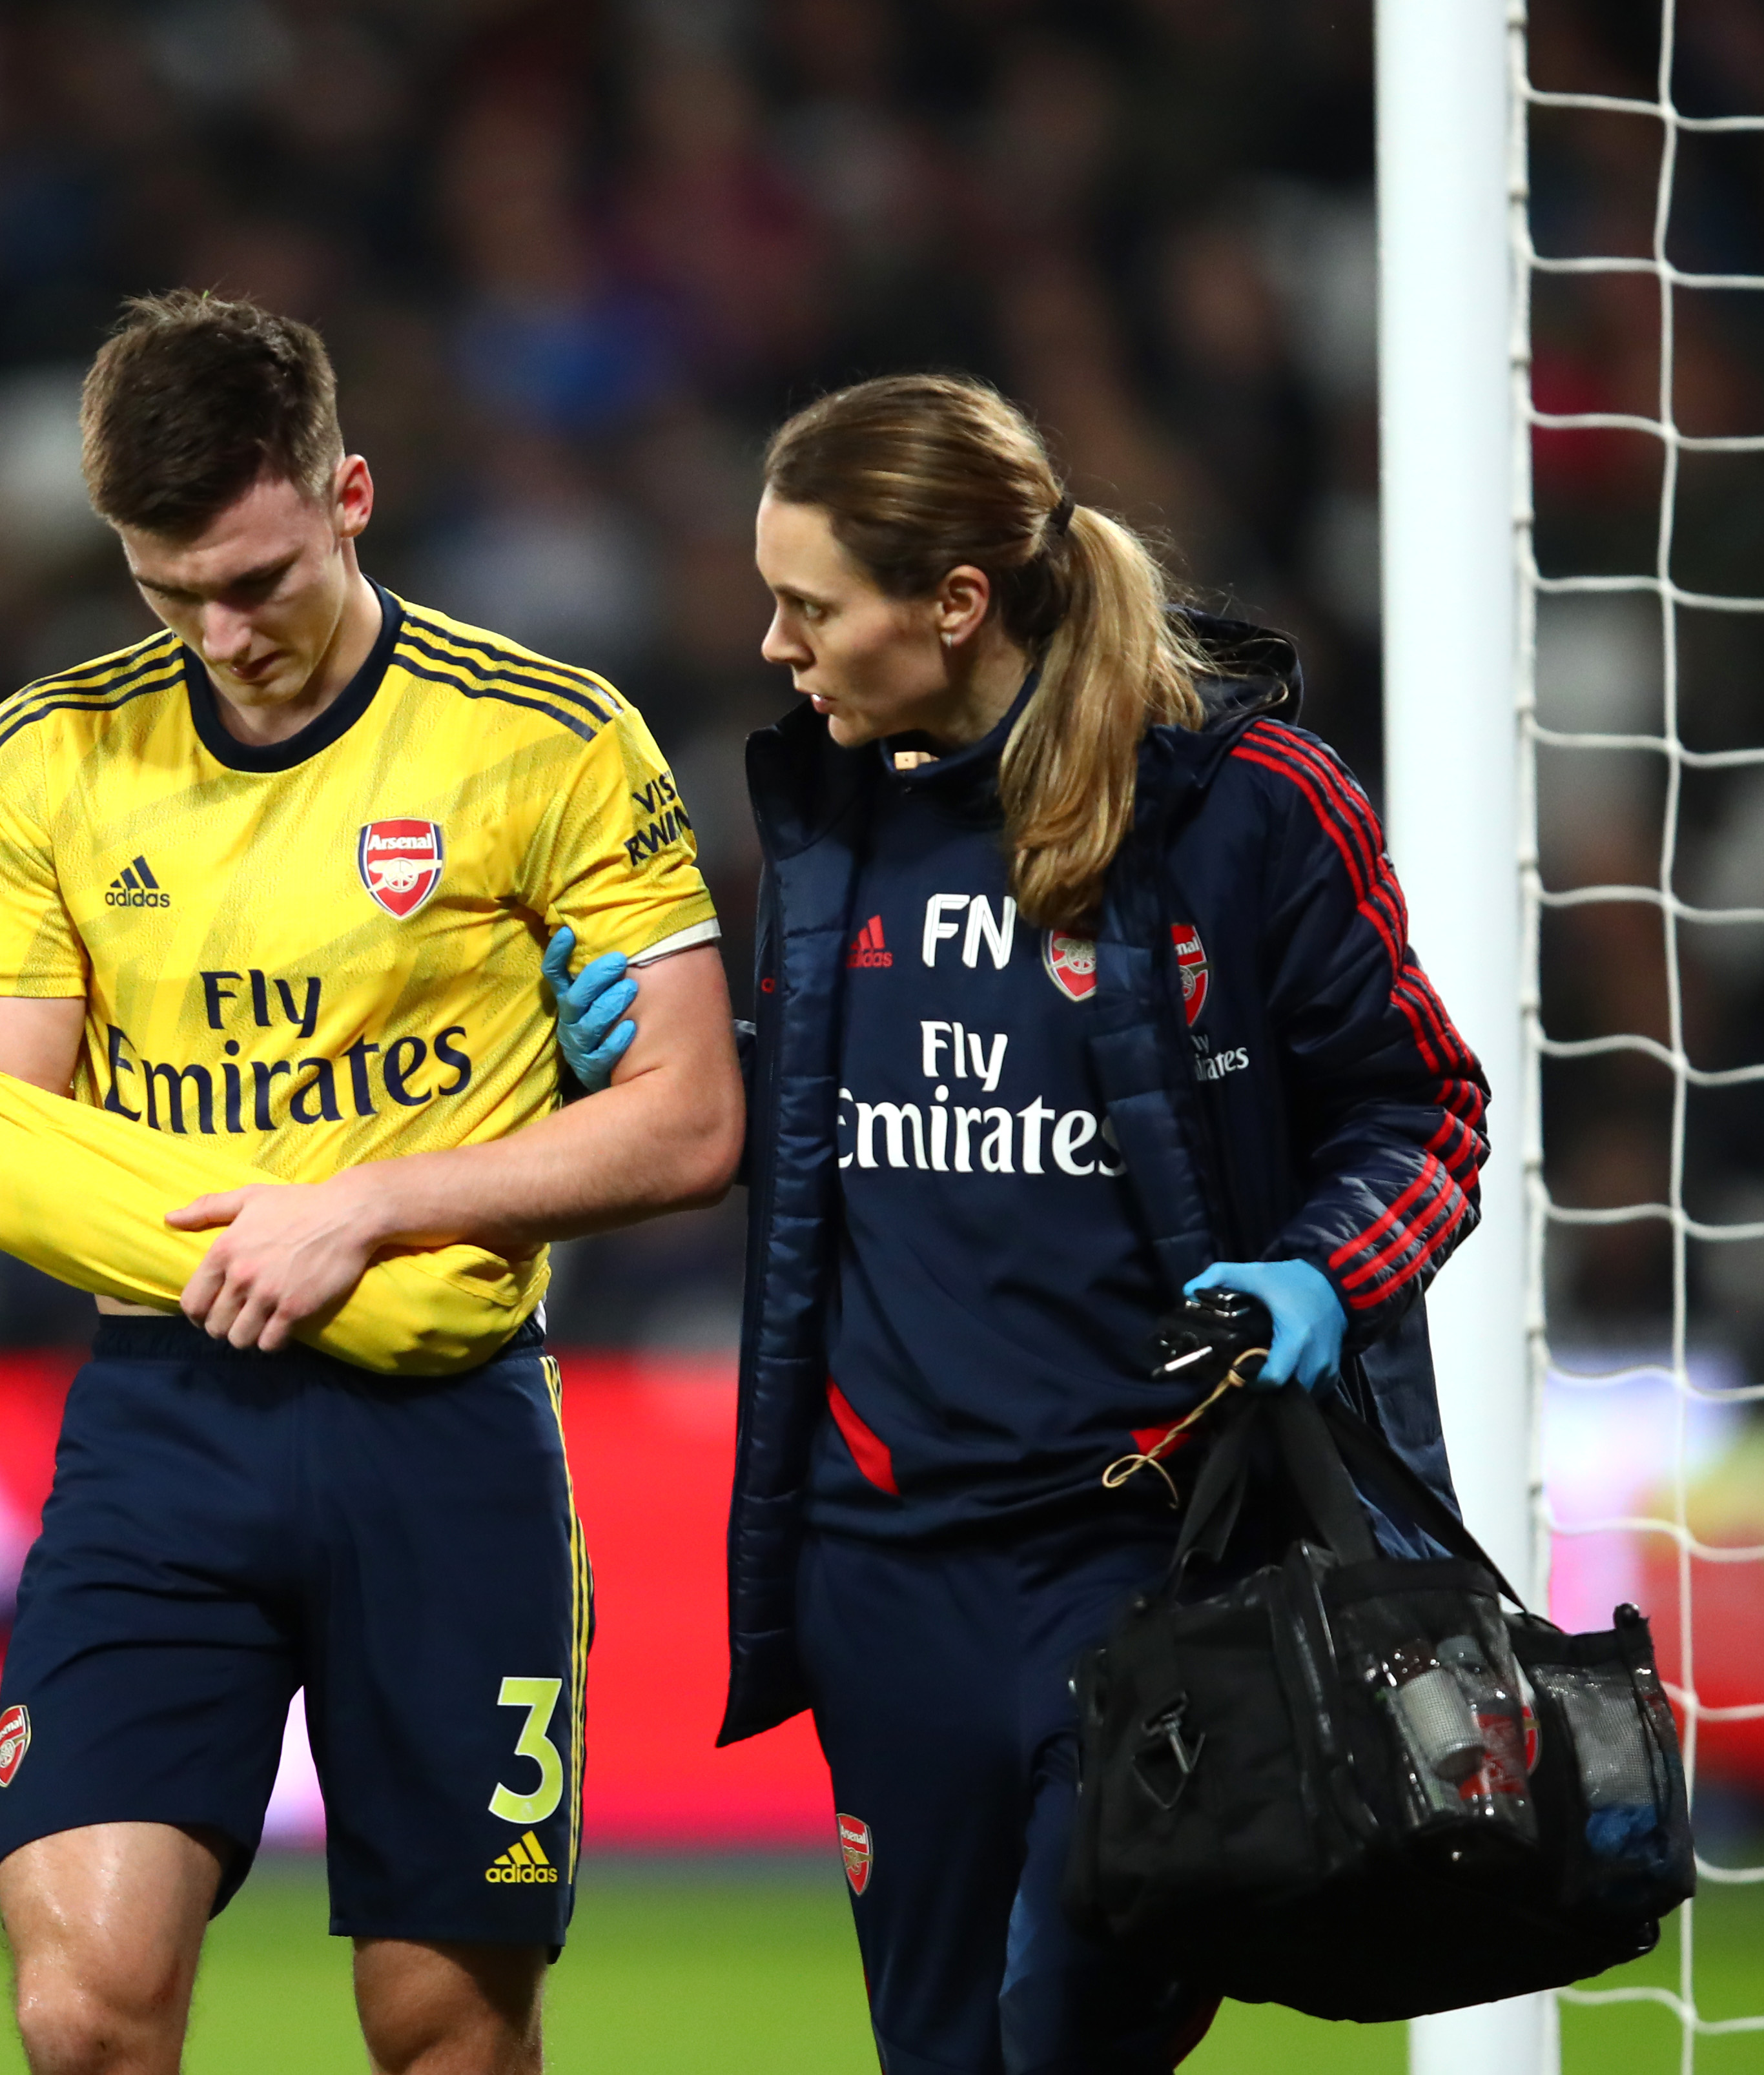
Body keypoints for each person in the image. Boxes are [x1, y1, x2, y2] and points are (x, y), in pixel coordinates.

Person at [566, 372, 1490, 2070]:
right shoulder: (825, 823)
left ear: (954, 603)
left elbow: (1422, 1104)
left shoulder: (1246, 807)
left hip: (1153, 1556)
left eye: (808, 605)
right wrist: (661, 1051)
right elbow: (869, 1097)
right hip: (882, 1560)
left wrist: (1320, 1267)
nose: (774, 646)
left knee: (1064, 2034)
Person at [0, 291, 744, 2075]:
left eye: (257, 579)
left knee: (444, 2026)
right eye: (167, 589)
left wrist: (364, 1209)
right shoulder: (45, 753)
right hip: (165, 1423)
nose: (222, 634)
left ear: (349, 492)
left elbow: (692, 1119)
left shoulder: (546, 737)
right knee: (80, 2006)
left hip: (446, 1439)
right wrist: (308, 1243)